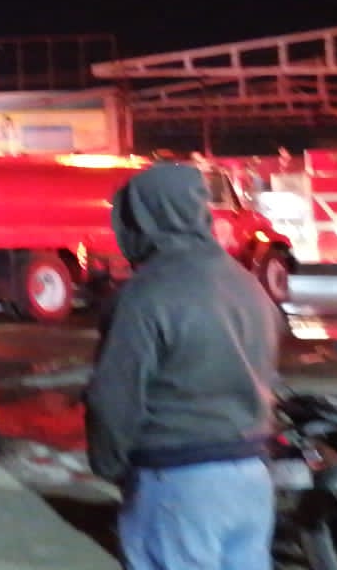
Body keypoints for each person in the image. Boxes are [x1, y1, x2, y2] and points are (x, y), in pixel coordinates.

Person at [84, 162, 281, 570]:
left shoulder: (145, 293)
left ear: (143, 219)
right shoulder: (246, 284)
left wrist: (111, 465)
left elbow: (114, 396)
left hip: (178, 481)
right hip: (252, 476)